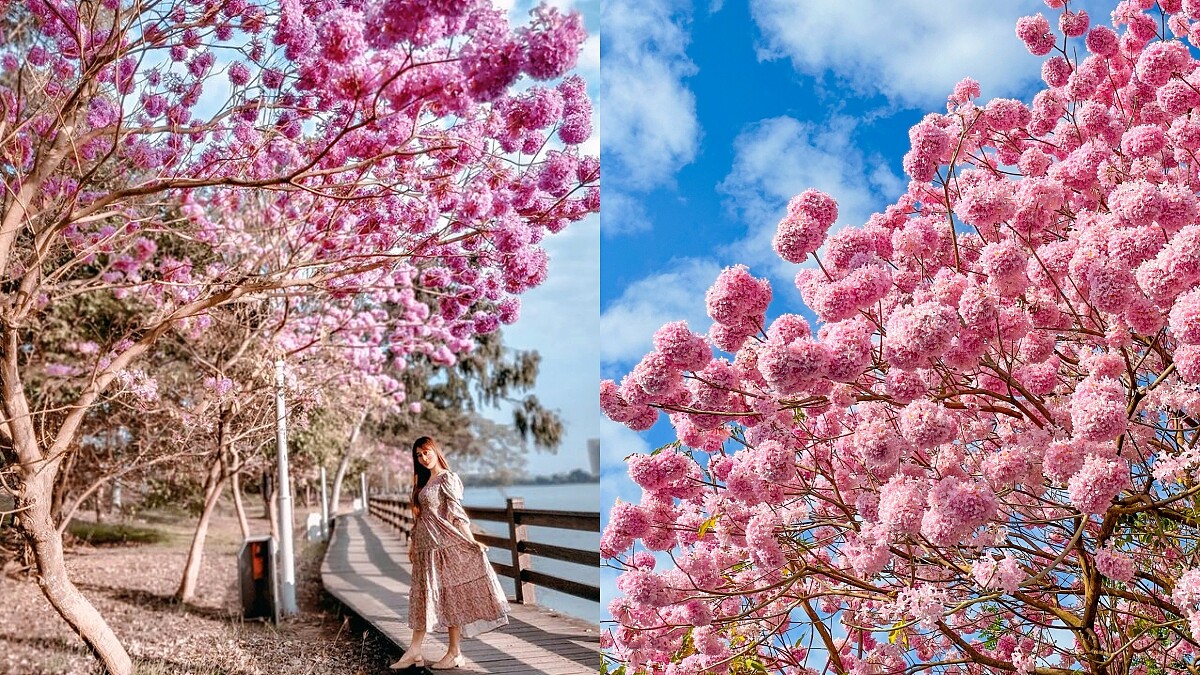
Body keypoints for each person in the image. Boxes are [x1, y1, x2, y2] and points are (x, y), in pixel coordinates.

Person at [390, 436, 510, 670]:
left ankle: (448, 652)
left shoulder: (447, 478)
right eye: (419, 455)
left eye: (426, 452)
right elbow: (420, 518)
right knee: (426, 596)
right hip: (426, 549)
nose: (423, 458)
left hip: (444, 546)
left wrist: (471, 540)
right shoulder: (423, 482)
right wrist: (413, 544)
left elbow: (456, 513)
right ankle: (421, 651)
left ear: (435, 451)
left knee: (450, 596)